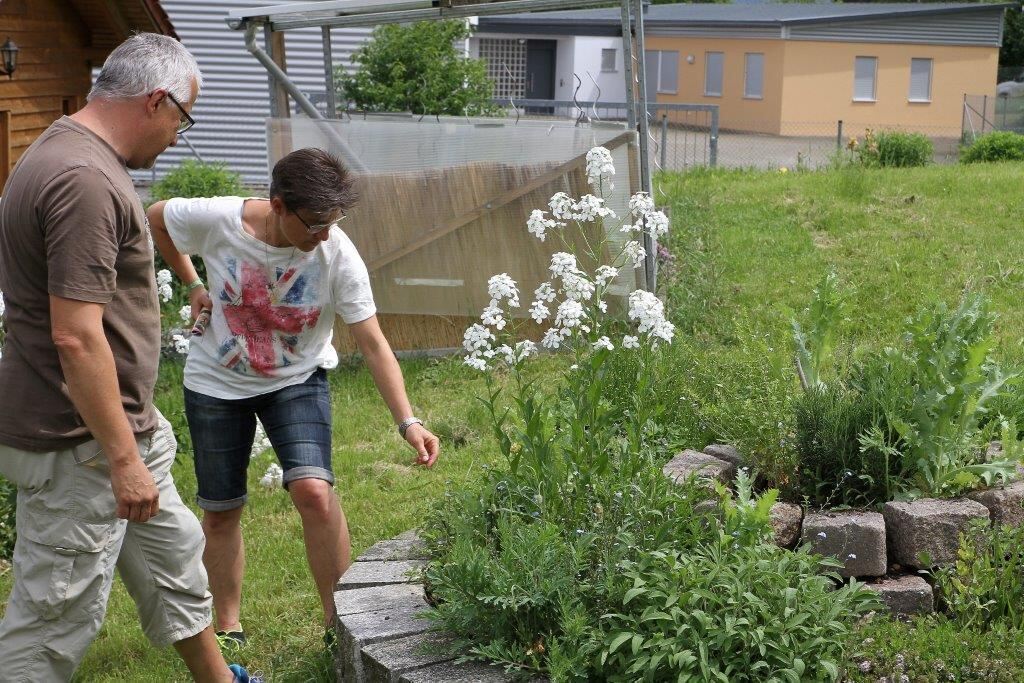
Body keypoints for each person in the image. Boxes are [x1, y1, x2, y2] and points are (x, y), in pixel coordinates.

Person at [0, 33, 258, 683]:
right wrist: (119, 460)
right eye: (184, 117)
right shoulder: (83, 179)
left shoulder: (67, 152)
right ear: (156, 100)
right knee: (52, 621)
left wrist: (130, 447)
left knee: (175, 565)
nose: (179, 135)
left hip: (120, 430)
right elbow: (77, 337)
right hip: (82, 443)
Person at [146, 147, 440, 645]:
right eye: (314, 224)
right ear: (278, 204)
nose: (324, 235)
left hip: (296, 380)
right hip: (216, 383)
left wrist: (407, 421)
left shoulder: (336, 251)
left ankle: (339, 622)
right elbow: (157, 217)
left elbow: (372, 342)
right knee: (221, 510)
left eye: (333, 222)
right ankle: (229, 624)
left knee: (314, 492)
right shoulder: (221, 220)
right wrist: (193, 282)